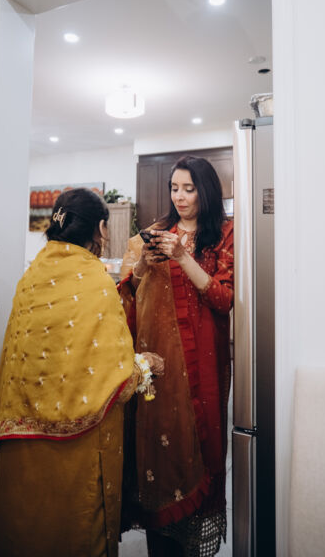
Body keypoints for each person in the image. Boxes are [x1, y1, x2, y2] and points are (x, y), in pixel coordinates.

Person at [0, 188, 164, 557]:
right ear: (100, 229)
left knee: (26, 531)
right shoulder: (93, 278)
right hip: (77, 448)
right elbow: (113, 372)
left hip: (24, 443)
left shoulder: (31, 276)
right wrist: (145, 366)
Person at [119, 156, 234, 556]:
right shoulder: (155, 233)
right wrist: (143, 265)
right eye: (174, 188)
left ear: (206, 191)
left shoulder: (224, 235)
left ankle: (192, 540)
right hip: (159, 368)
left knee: (200, 447)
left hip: (203, 364)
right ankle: (159, 538)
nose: (180, 197)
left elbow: (224, 299)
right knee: (158, 451)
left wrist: (183, 256)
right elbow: (127, 295)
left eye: (189, 189)